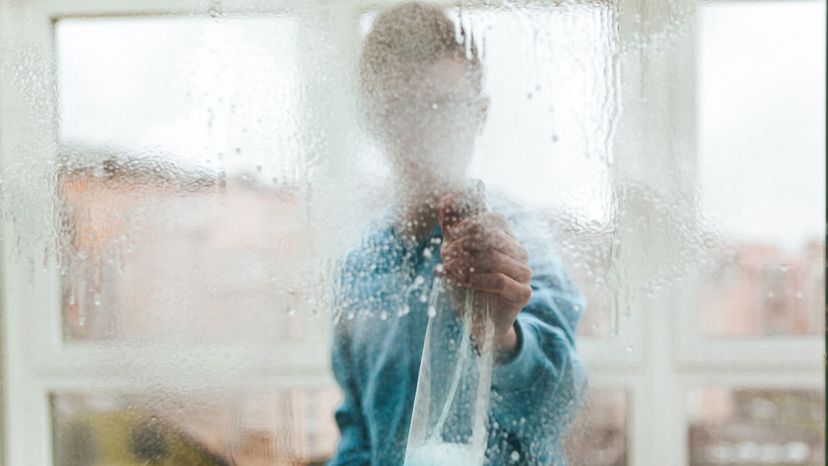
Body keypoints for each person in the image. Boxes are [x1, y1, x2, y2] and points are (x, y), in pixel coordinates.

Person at [329, 3, 586, 465]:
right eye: (399, 107)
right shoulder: (359, 268)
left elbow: (559, 402)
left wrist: (503, 337)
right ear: (371, 117)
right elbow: (359, 431)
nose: (422, 128)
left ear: (478, 115)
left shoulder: (516, 244)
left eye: (442, 106)